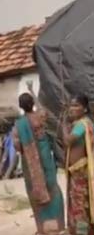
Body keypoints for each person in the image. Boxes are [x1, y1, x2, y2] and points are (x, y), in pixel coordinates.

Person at [13, 92, 65, 234]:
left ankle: (41, 228)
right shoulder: (40, 116)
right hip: (45, 154)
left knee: (35, 190)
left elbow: (17, 145)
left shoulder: (19, 125)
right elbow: (44, 110)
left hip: (30, 162)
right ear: (33, 104)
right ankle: (59, 225)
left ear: (20, 106)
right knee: (52, 187)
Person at [62, 94, 94, 235]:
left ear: (85, 109)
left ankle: (82, 232)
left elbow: (68, 140)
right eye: (71, 105)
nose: (72, 109)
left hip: (80, 170)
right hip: (76, 170)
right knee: (79, 201)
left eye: (76, 106)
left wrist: (63, 124)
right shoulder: (80, 124)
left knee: (80, 203)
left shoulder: (82, 125)